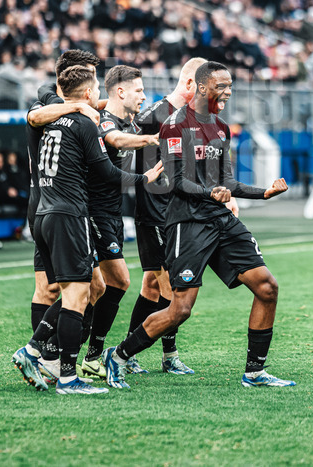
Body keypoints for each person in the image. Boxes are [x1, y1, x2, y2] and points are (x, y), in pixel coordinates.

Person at [103, 61, 295, 390]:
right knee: (180, 309)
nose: (229, 92)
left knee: (267, 287)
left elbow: (227, 181)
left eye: (230, 85)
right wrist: (210, 192)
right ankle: (119, 355)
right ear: (202, 87)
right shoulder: (174, 125)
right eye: (222, 86)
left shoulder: (221, 128)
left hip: (219, 219)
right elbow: (177, 181)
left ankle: (254, 372)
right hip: (188, 223)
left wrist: (263, 192)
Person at [12, 66, 162, 395]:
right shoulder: (83, 123)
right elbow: (107, 171)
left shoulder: (50, 118)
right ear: (86, 92)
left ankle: (44, 356)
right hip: (70, 214)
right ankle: (54, 365)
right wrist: (145, 178)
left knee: (88, 288)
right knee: (75, 293)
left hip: (45, 210)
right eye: (95, 86)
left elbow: (39, 110)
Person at [125, 57, 206, 376]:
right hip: (155, 213)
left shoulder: (188, 118)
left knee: (151, 285)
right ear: (189, 84)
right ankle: (168, 355)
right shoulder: (154, 116)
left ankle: (128, 354)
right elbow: (138, 165)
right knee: (172, 288)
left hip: (173, 213)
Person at [21, 50, 103, 362]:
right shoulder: (45, 102)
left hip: (70, 203)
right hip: (46, 201)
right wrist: (78, 105)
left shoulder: (71, 105)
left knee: (95, 285)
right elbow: (34, 117)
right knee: (50, 288)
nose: (92, 83)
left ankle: (52, 355)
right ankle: (46, 358)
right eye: (87, 75)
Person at [78, 65, 158, 379]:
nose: (143, 96)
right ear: (121, 91)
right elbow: (116, 140)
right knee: (118, 281)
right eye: (139, 90)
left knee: (97, 288)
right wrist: (150, 139)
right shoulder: (106, 121)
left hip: (113, 213)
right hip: (94, 211)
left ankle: (77, 353)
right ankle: (70, 351)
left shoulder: (129, 120)